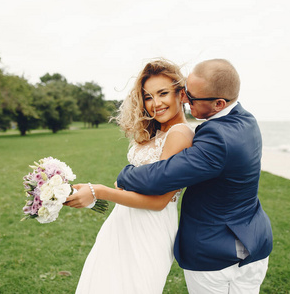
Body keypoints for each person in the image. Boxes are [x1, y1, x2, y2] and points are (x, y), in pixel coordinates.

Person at [115, 59, 273, 294]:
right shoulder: (246, 120)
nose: (185, 99)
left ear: (219, 103)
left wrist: (124, 175)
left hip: (218, 257)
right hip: (254, 245)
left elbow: (161, 176)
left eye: (192, 96)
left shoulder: (217, 139)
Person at [65, 59, 195, 293]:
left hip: (150, 228)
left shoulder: (180, 134)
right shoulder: (156, 132)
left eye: (163, 93)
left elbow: (158, 201)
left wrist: (100, 191)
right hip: (121, 222)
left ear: (181, 94)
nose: (155, 103)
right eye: (148, 97)